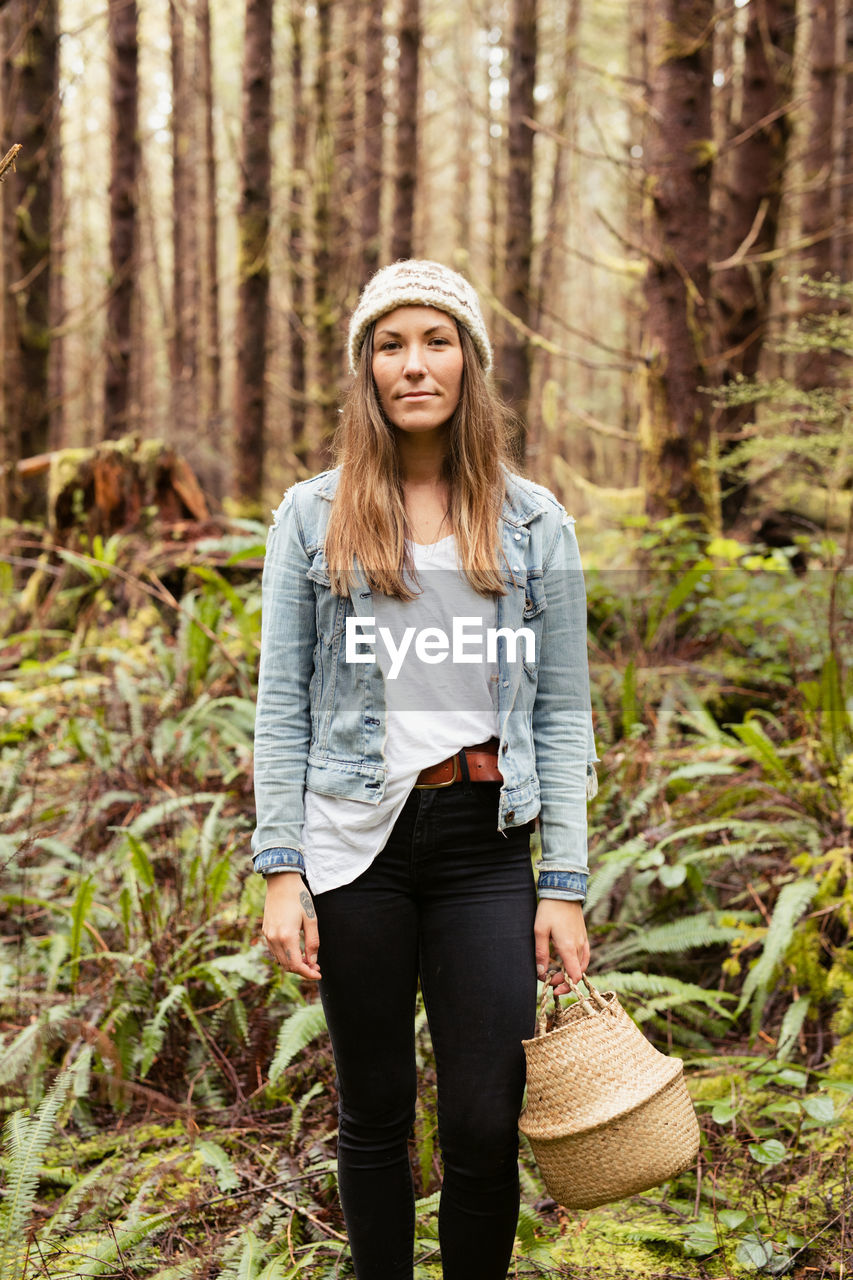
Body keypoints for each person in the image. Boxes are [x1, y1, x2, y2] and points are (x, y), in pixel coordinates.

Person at [252, 259, 599, 1280]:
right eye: (391, 343)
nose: (414, 364)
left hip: (482, 846)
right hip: (352, 842)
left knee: (486, 1120)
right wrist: (282, 865)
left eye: (435, 340)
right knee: (373, 1113)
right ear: (367, 365)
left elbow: (565, 713)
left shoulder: (535, 522)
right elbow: (279, 703)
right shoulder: (311, 517)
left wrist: (564, 883)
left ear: (470, 361)